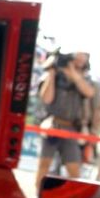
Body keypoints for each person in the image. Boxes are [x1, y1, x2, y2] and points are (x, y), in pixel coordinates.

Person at [35, 51, 96, 190]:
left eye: (83, 59)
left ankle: (73, 197)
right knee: (44, 164)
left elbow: (89, 92)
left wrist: (72, 71)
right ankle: (38, 194)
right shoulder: (55, 76)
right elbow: (47, 98)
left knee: (74, 168)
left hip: (71, 128)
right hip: (53, 125)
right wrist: (51, 72)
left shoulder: (84, 78)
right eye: (76, 57)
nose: (79, 61)